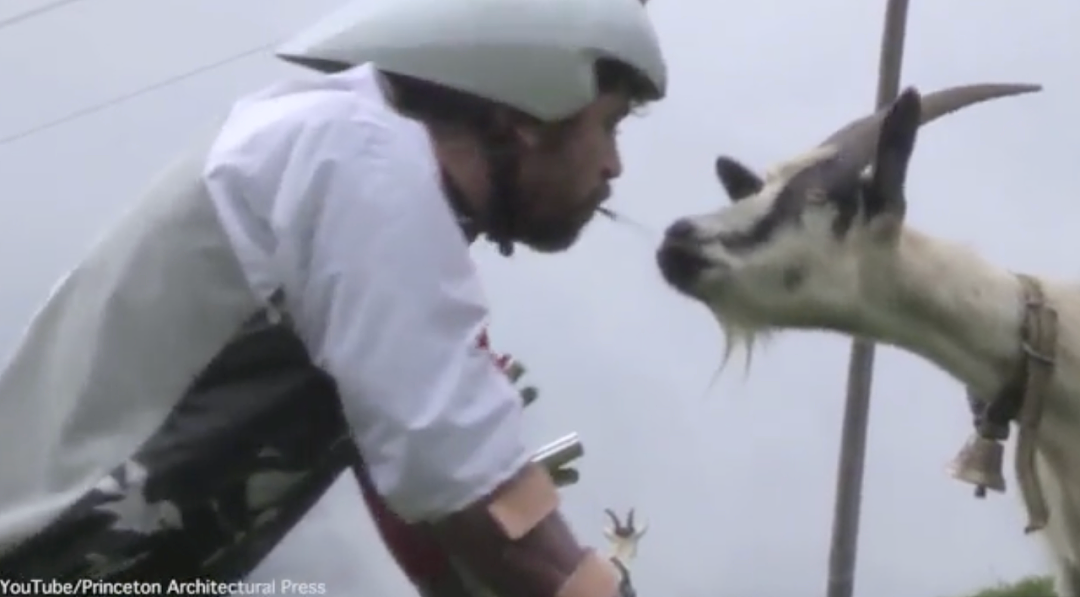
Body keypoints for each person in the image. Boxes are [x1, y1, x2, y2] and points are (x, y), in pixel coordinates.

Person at [0, 0, 666, 594]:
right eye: (609, 125)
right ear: (528, 109)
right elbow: (461, 472)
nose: (614, 165)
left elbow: (427, 493)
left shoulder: (353, 164)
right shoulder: (361, 160)